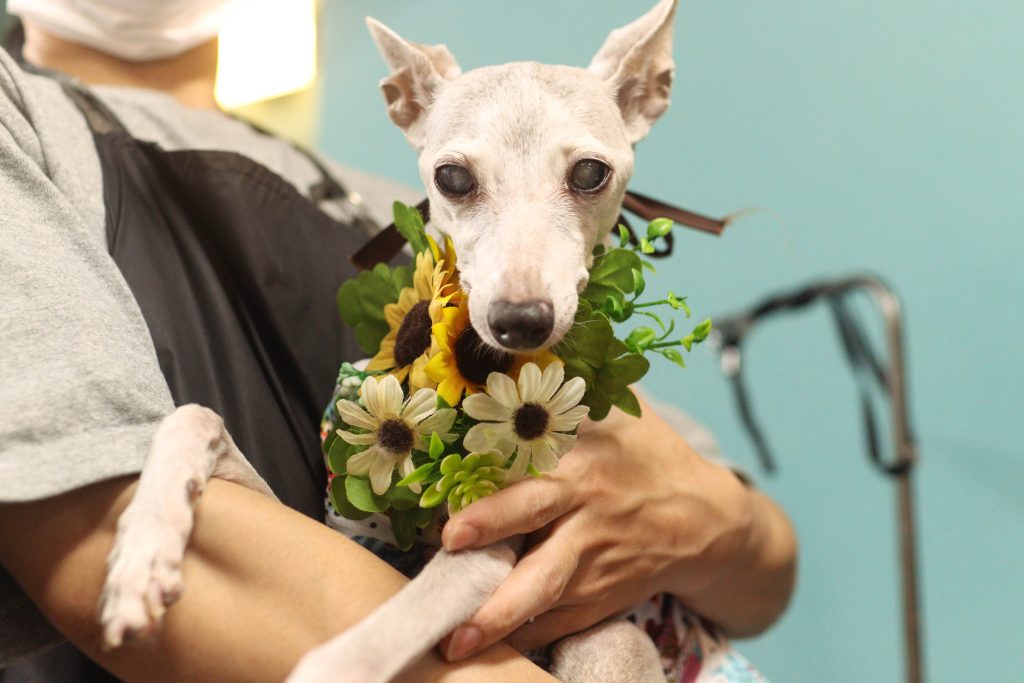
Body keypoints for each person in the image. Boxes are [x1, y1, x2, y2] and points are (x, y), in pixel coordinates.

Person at [0, 1, 798, 681]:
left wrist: (715, 519)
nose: (519, 282)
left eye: (585, 177)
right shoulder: (22, 119)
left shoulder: (414, 204)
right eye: (459, 183)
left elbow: (759, 561)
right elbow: (90, 535)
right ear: (406, 102)